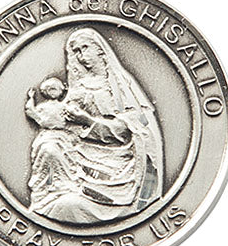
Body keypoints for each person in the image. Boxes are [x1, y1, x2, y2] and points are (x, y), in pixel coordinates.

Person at [26, 27, 164, 224]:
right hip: (78, 153)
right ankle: (48, 196)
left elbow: (130, 129)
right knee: (48, 147)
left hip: (115, 164)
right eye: (76, 51)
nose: (81, 56)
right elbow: (67, 122)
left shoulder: (119, 85)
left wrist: (88, 121)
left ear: (100, 49)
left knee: (67, 206)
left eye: (85, 48)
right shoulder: (78, 86)